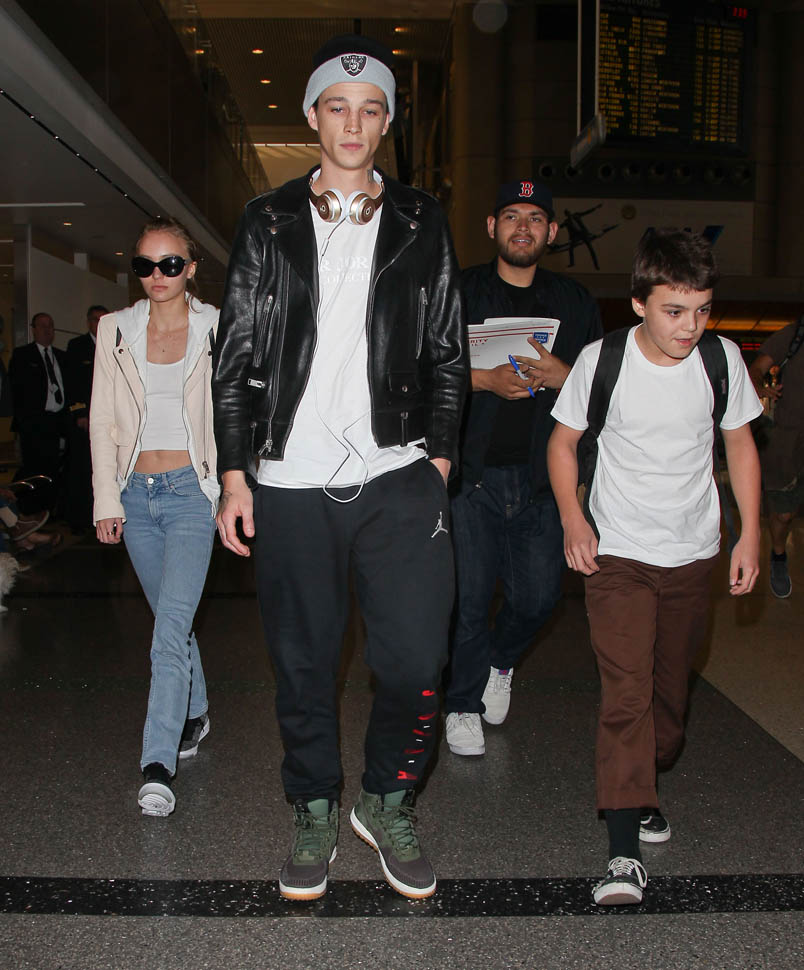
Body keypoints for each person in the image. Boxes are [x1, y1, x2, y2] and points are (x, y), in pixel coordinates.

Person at [212, 35, 467, 901]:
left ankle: (387, 798)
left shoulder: (423, 219)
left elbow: (447, 350)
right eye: (337, 107)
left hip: (401, 475)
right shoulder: (268, 219)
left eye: (370, 110)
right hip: (290, 480)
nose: (353, 124)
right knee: (304, 664)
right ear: (313, 117)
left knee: (418, 659)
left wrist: (437, 460)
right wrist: (236, 475)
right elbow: (235, 357)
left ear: (386, 123)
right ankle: (315, 805)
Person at [547, 228, 762, 906]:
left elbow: (740, 445)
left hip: (692, 554)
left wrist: (750, 534)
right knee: (627, 697)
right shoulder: (602, 360)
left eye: (702, 310)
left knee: (668, 708)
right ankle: (622, 853)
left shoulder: (721, 360)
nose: (690, 326)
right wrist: (574, 518)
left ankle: (646, 781)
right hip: (619, 554)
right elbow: (562, 444)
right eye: (674, 310)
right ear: (640, 303)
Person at [444, 180, 602, 757]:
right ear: (492, 227)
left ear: (551, 232)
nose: (523, 227)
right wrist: (482, 379)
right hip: (471, 476)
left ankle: (501, 661)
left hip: (542, 479)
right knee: (468, 599)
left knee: (538, 599)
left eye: (535, 218)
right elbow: (421, 368)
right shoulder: (459, 291)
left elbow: (602, 389)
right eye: (511, 215)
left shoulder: (575, 302)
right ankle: (461, 704)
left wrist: (565, 376)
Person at [90, 217, 219, 818]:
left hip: (191, 492)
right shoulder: (115, 329)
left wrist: (233, 489)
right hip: (135, 495)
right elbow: (101, 421)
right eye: (145, 265)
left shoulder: (216, 327)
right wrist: (106, 499)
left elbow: (235, 413)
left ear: (190, 268)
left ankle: (157, 764)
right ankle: (196, 710)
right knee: (174, 617)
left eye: (170, 264)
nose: (157, 276)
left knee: (167, 630)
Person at [747, 317, 804, 598]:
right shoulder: (795, 334)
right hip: (788, 442)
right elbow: (756, 369)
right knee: (783, 513)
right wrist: (759, 387)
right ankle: (779, 555)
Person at [9, 313, 71, 489]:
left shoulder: (61, 356)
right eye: (42, 326)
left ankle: (50, 502)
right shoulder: (22, 355)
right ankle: (30, 502)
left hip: (56, 421)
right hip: (33, 423)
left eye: (50, 326)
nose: (47, 330)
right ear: (34, 329)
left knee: (54, 467)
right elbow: (16, 389)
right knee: (33, 467)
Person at [66, 305, 109, 531]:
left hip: (109, 417)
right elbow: (72, 384)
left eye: (103, 320)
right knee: (83, 468)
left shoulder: (113, 343)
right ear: (88, 322)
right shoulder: (77, 346)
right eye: (95, 320)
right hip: (87, 418)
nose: (99, 324)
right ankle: (82, 519)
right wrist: (80, 413)